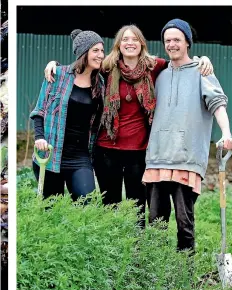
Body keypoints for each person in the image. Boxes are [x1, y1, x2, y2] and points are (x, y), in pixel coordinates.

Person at [43, 25, 214, 226]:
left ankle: (136, 252)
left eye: (134, 39)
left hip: (139, 151)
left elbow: (181, 63)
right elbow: (80, 68)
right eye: (125, 39)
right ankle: (113, 251)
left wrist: (202, 60)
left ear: (141, 44)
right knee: (110, 205)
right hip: (106, 149)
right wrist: (55, 64)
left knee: (137, 207)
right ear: (118, 44)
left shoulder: (155, 66)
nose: (129, 43)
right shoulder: (107, 67)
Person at [143, 18, 232, 252]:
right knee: (155, 223)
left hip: (186, 159)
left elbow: (217, 104)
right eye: (167, 40)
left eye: (177, 40)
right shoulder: (160, 75)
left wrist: (226, 133)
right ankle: (155, 272)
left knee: (185, 224)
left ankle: (184, 276)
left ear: (187, 43)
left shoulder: (201, 71)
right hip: (157, 158)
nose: (172, 44)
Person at [30, 30, 105, 200]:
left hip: (80, 157)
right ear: (83, 53)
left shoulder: (100, 84)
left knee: (87, 204)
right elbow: (39, 110)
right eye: (95, 50)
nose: (101, 55)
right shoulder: (57, 75)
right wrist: (39, 137)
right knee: (51, 211)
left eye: (102, 50)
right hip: (51, 155)